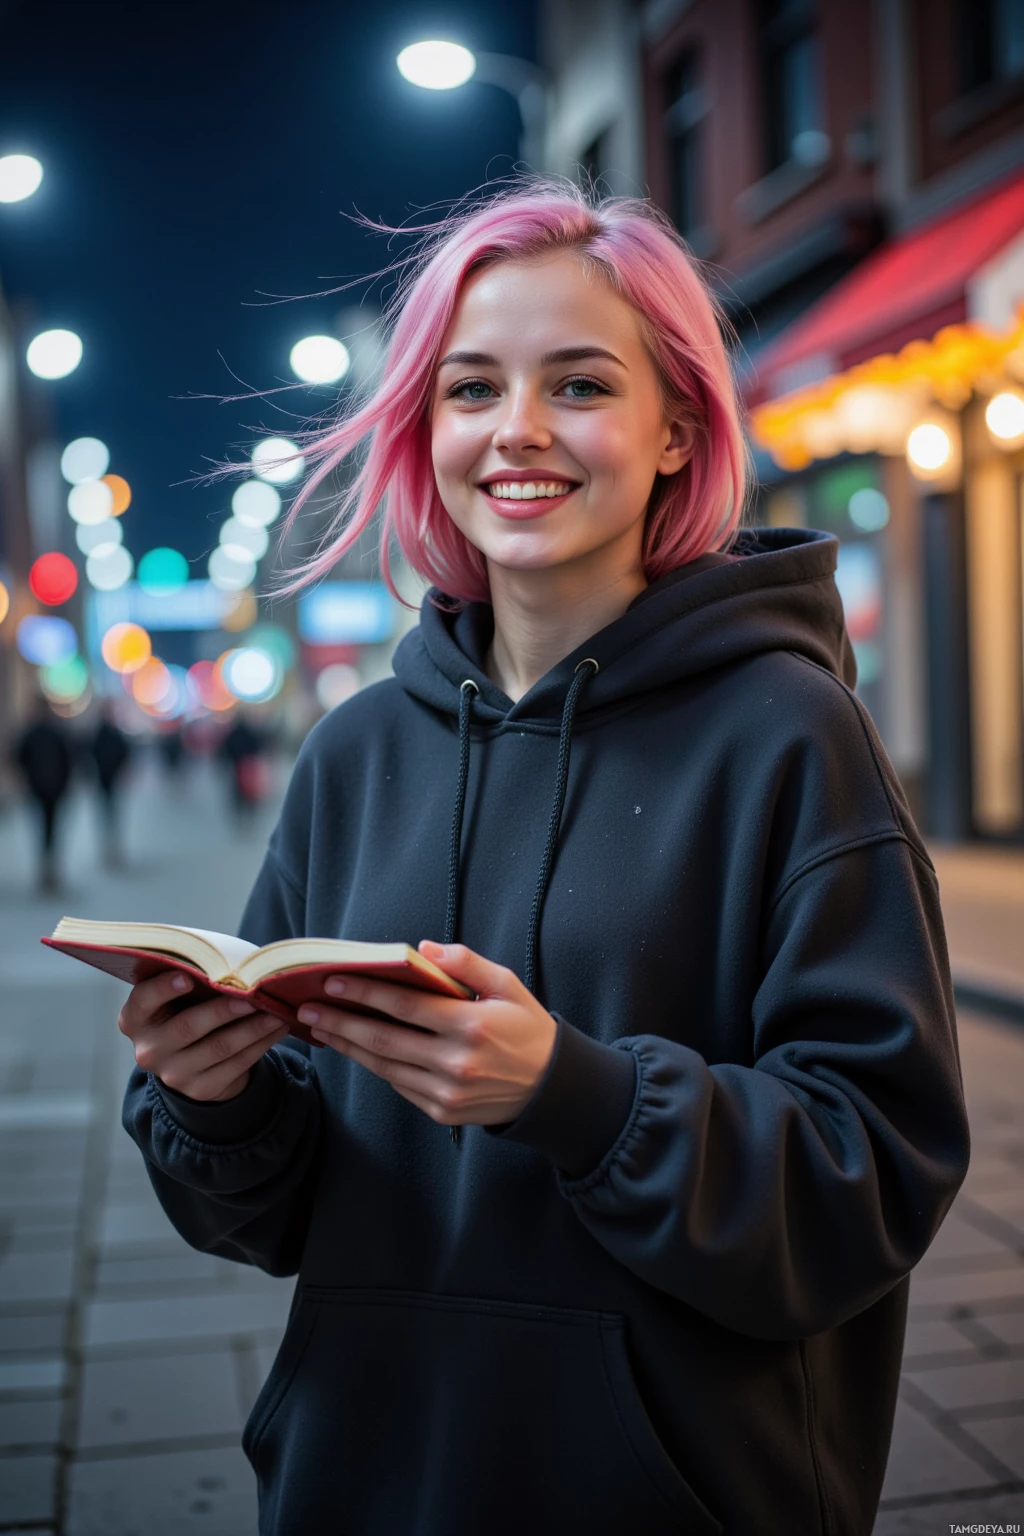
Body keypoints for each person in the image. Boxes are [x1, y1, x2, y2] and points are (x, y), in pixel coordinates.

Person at [119, 182, 970, 1536]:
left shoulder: (792, 735)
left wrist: (575, 1096)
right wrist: (214, 1100)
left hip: (675, 1492)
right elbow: (263, 1222)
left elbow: (872, 1176)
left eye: (578, 383)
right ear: (426, 428)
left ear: (677, 425)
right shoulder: (352, 754)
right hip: (363, 1480)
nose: (517, 431)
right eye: (472, 389)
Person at [14, 694, 75, 894]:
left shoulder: (32, 733)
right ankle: (50, 868)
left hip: (40, 789)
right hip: (51, 789)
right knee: (51, 829)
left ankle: (47, 868)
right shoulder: (56, 732)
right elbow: (69, 760)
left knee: (44, 829)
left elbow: (19, 758)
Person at [88, 701, 132, 869]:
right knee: (107, 814)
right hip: (103, 779)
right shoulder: (101, 733)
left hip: (111, 779)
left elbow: (124, 754)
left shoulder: (112, 733)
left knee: (111, 814)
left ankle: (112, 847)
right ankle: (109, 847)